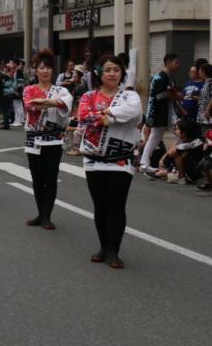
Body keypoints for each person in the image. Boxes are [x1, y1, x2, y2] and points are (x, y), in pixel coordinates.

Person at [77, 55, 142, 269]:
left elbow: (135, 112)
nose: (112, 73)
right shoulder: (88, 96)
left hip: (120, 159)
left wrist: (108, 114)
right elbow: (85, 117)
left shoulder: (129, 96)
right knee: (100, 205)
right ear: (100, 73)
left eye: (116, 69)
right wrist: (105, 117)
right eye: (108, 70)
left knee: (116, 205)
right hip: (94, 159)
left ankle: (114, 250)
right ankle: (103, 246)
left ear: (122, 73)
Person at [23, 51, 73, 229]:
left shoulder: (62, 90)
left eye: (48, 68)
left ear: (53, 71)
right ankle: (40, 213)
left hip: (53, 139)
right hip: (34, 140)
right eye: (41, 68)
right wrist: (52, 102)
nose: (45, 71)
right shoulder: (29, 89)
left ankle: (47, 216)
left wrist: (47, 102)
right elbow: (30, 106)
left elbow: (66, 104)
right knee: (37, 178)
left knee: (50, 178)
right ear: (35, 70)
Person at [140, 53, 181, 173]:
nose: (178, 65)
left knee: (176, 134)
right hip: (159, 112)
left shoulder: (168, 77)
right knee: (156, 137)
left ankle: (149, 163)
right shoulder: (160, 77)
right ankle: (147, 163)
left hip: (168, 112)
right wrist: (173, 94)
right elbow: (158, 96)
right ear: (168, 62)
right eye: (176, 62)